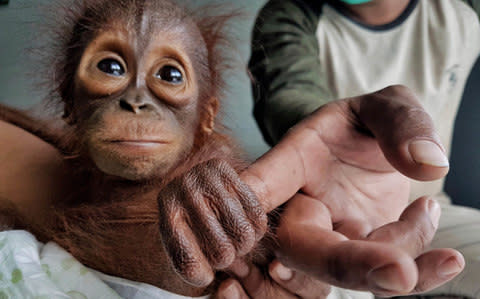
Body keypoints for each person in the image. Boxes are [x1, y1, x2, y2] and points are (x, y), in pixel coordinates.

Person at [225, 0, 480, 298]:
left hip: (434, 209)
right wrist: (323, 134)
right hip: (330, 218)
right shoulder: (290, 14)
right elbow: (289, 91)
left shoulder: (462, 8)